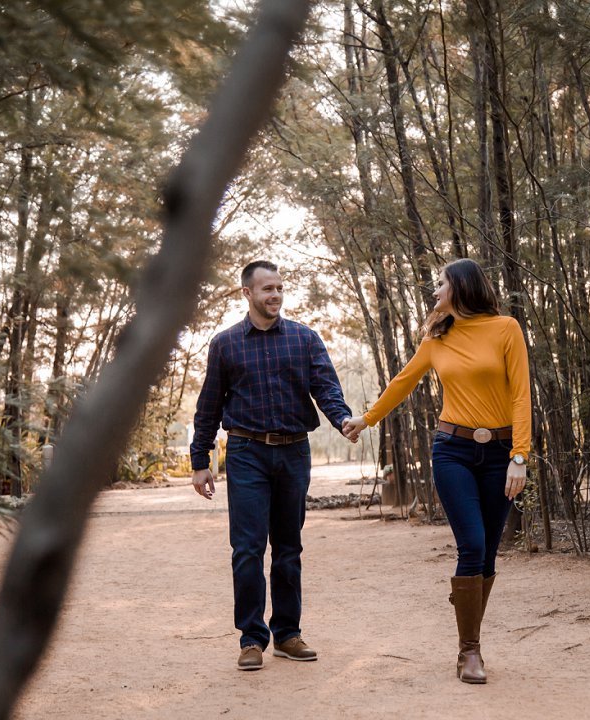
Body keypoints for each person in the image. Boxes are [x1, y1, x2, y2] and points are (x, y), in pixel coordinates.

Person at [343, 258, 530, 684]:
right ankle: (470, 652)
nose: (435, 291)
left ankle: (464, 604)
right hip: (453, 452)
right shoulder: (437, 337)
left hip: (501, 453)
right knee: (472, 545)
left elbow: (521, 395)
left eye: (440, 283)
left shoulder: (506, 329)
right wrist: (366, 419)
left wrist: (520, 455)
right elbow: (403, 382)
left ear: (461, 286)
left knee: (487, 553)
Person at [190, 260, 353, 671]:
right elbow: (208, 407)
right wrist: (200, 461)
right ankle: (250, 639)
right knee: (246, 549)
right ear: (247, 293)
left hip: (294, 453)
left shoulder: (304, 338)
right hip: (246, 453)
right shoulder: (225, 344)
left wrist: (343, 419)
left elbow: (326, 389)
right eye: (266, 289)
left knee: (288, 548)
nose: (275, 295)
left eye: (279, 288)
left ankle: (287, 634)